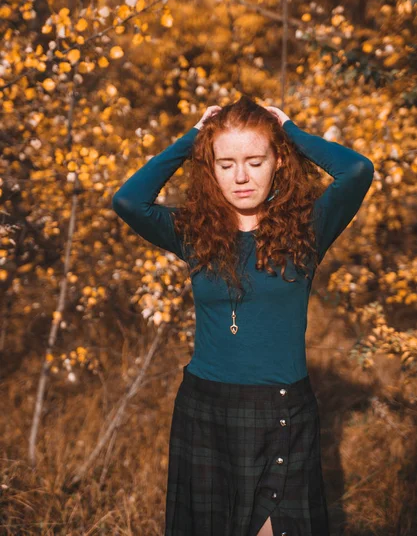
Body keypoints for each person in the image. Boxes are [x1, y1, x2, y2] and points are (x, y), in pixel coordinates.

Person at [112, 95, 374, 536]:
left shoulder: (307, 230)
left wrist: (287, 128)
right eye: (225, 163)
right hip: (205, 411)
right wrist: (193, 137)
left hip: (282, 413)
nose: (240, 176)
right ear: (211, 168)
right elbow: (129, 201)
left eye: (255, 160)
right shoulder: (194, 231)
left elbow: (357, 170)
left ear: (277, 162)